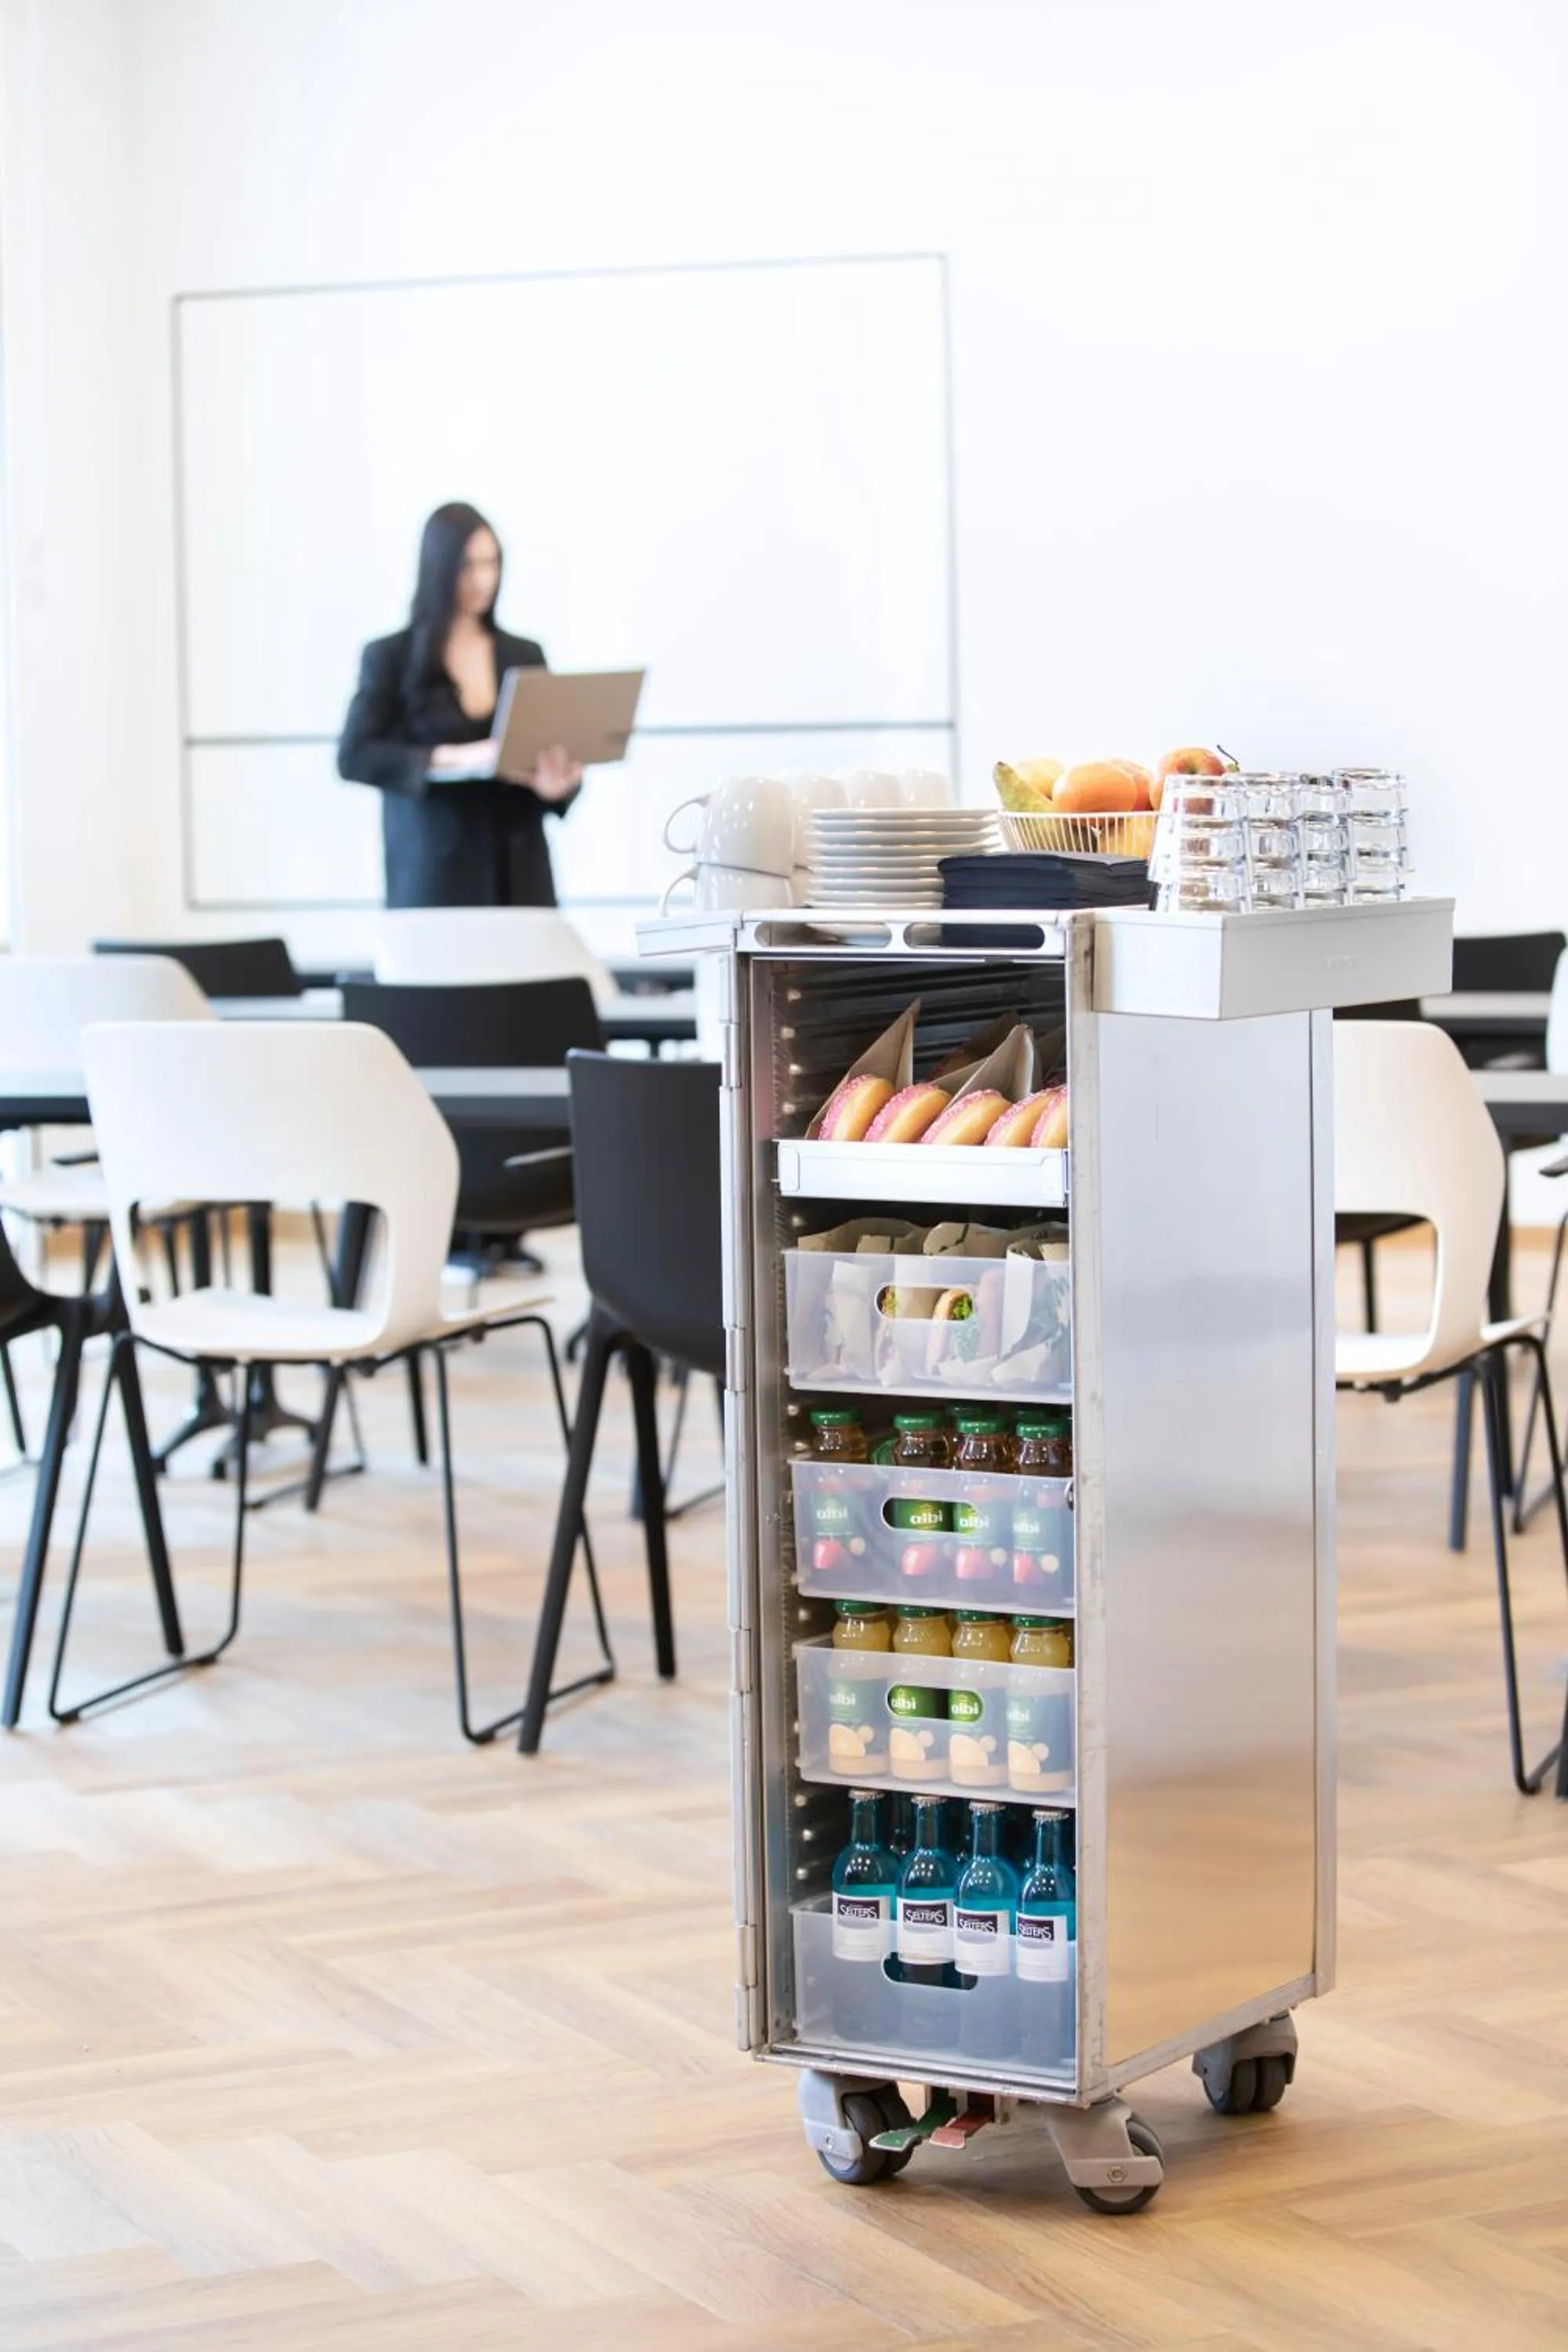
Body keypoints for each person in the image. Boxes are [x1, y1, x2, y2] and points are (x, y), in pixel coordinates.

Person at [337, 500, 583, 906]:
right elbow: (355, 757)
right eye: (469, 566)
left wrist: (555, 784)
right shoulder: (391, 657)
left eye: (492, 563)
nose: (483, 580)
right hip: (434, 877)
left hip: (518, 876)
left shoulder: (523, 654)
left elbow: (550, 773)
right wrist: (459, 757)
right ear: (440, 567)